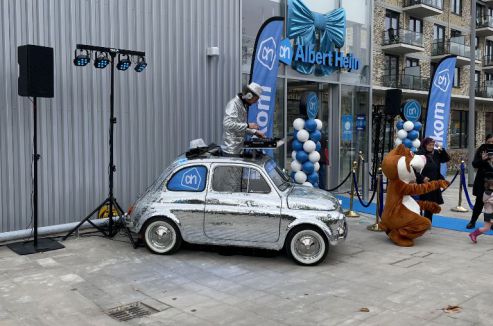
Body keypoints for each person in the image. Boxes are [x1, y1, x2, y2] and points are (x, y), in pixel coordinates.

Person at [221, 82, 265, 156]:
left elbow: (239, 126)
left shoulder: (242, 105)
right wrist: (248, 125)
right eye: (255, 100)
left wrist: (254, 132)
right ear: (249, 95)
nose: (255, 102)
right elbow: (227, 124)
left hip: (237, 148)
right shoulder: (233, 104)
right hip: (230, 150)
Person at [415, 137, 450, 222]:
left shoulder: (437, 153)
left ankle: (428, 221)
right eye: (429, 145)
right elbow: (414, 169)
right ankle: (419, 220)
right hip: (423, 182)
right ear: (425, 145)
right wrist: (422, 178)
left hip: (433, 182)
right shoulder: (419, 154)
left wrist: (442, 149)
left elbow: (446, 159)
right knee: (421, 202)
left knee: (430, 203)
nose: (431, 147)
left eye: (432, 145)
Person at [466, 134, 493, 229]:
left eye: (492, 142)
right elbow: (474, 164)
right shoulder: (482, 149)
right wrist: (482, 160)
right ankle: (472, 221)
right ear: (486, 141)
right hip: (483, 181)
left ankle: (491, 222)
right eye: (489, 142)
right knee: (479, 202)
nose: (490, 144)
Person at [468, 173, 493, 243]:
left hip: (489, 213)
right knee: (486, 228)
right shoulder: (489, 194)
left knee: (487, 228)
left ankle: (473, 234)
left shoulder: (486, 193)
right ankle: (473, 234)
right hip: (489, 214)